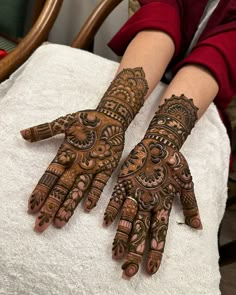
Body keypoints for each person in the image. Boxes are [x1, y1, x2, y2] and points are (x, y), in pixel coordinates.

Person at [20, 0, 236, 279]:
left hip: (206, 99)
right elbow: (163, 9)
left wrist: (163, 138)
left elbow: (224, 51)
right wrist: (113, 111)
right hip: (146, 61)